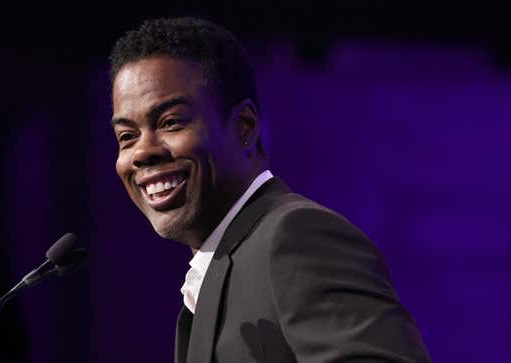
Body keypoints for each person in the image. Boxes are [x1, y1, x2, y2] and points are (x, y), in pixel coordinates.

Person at [109, 17, 431, 363]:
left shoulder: (295, 237)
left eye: (171, 122)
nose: (142, 152)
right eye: (127, 137)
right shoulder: (219, 266)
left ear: (244, 127)